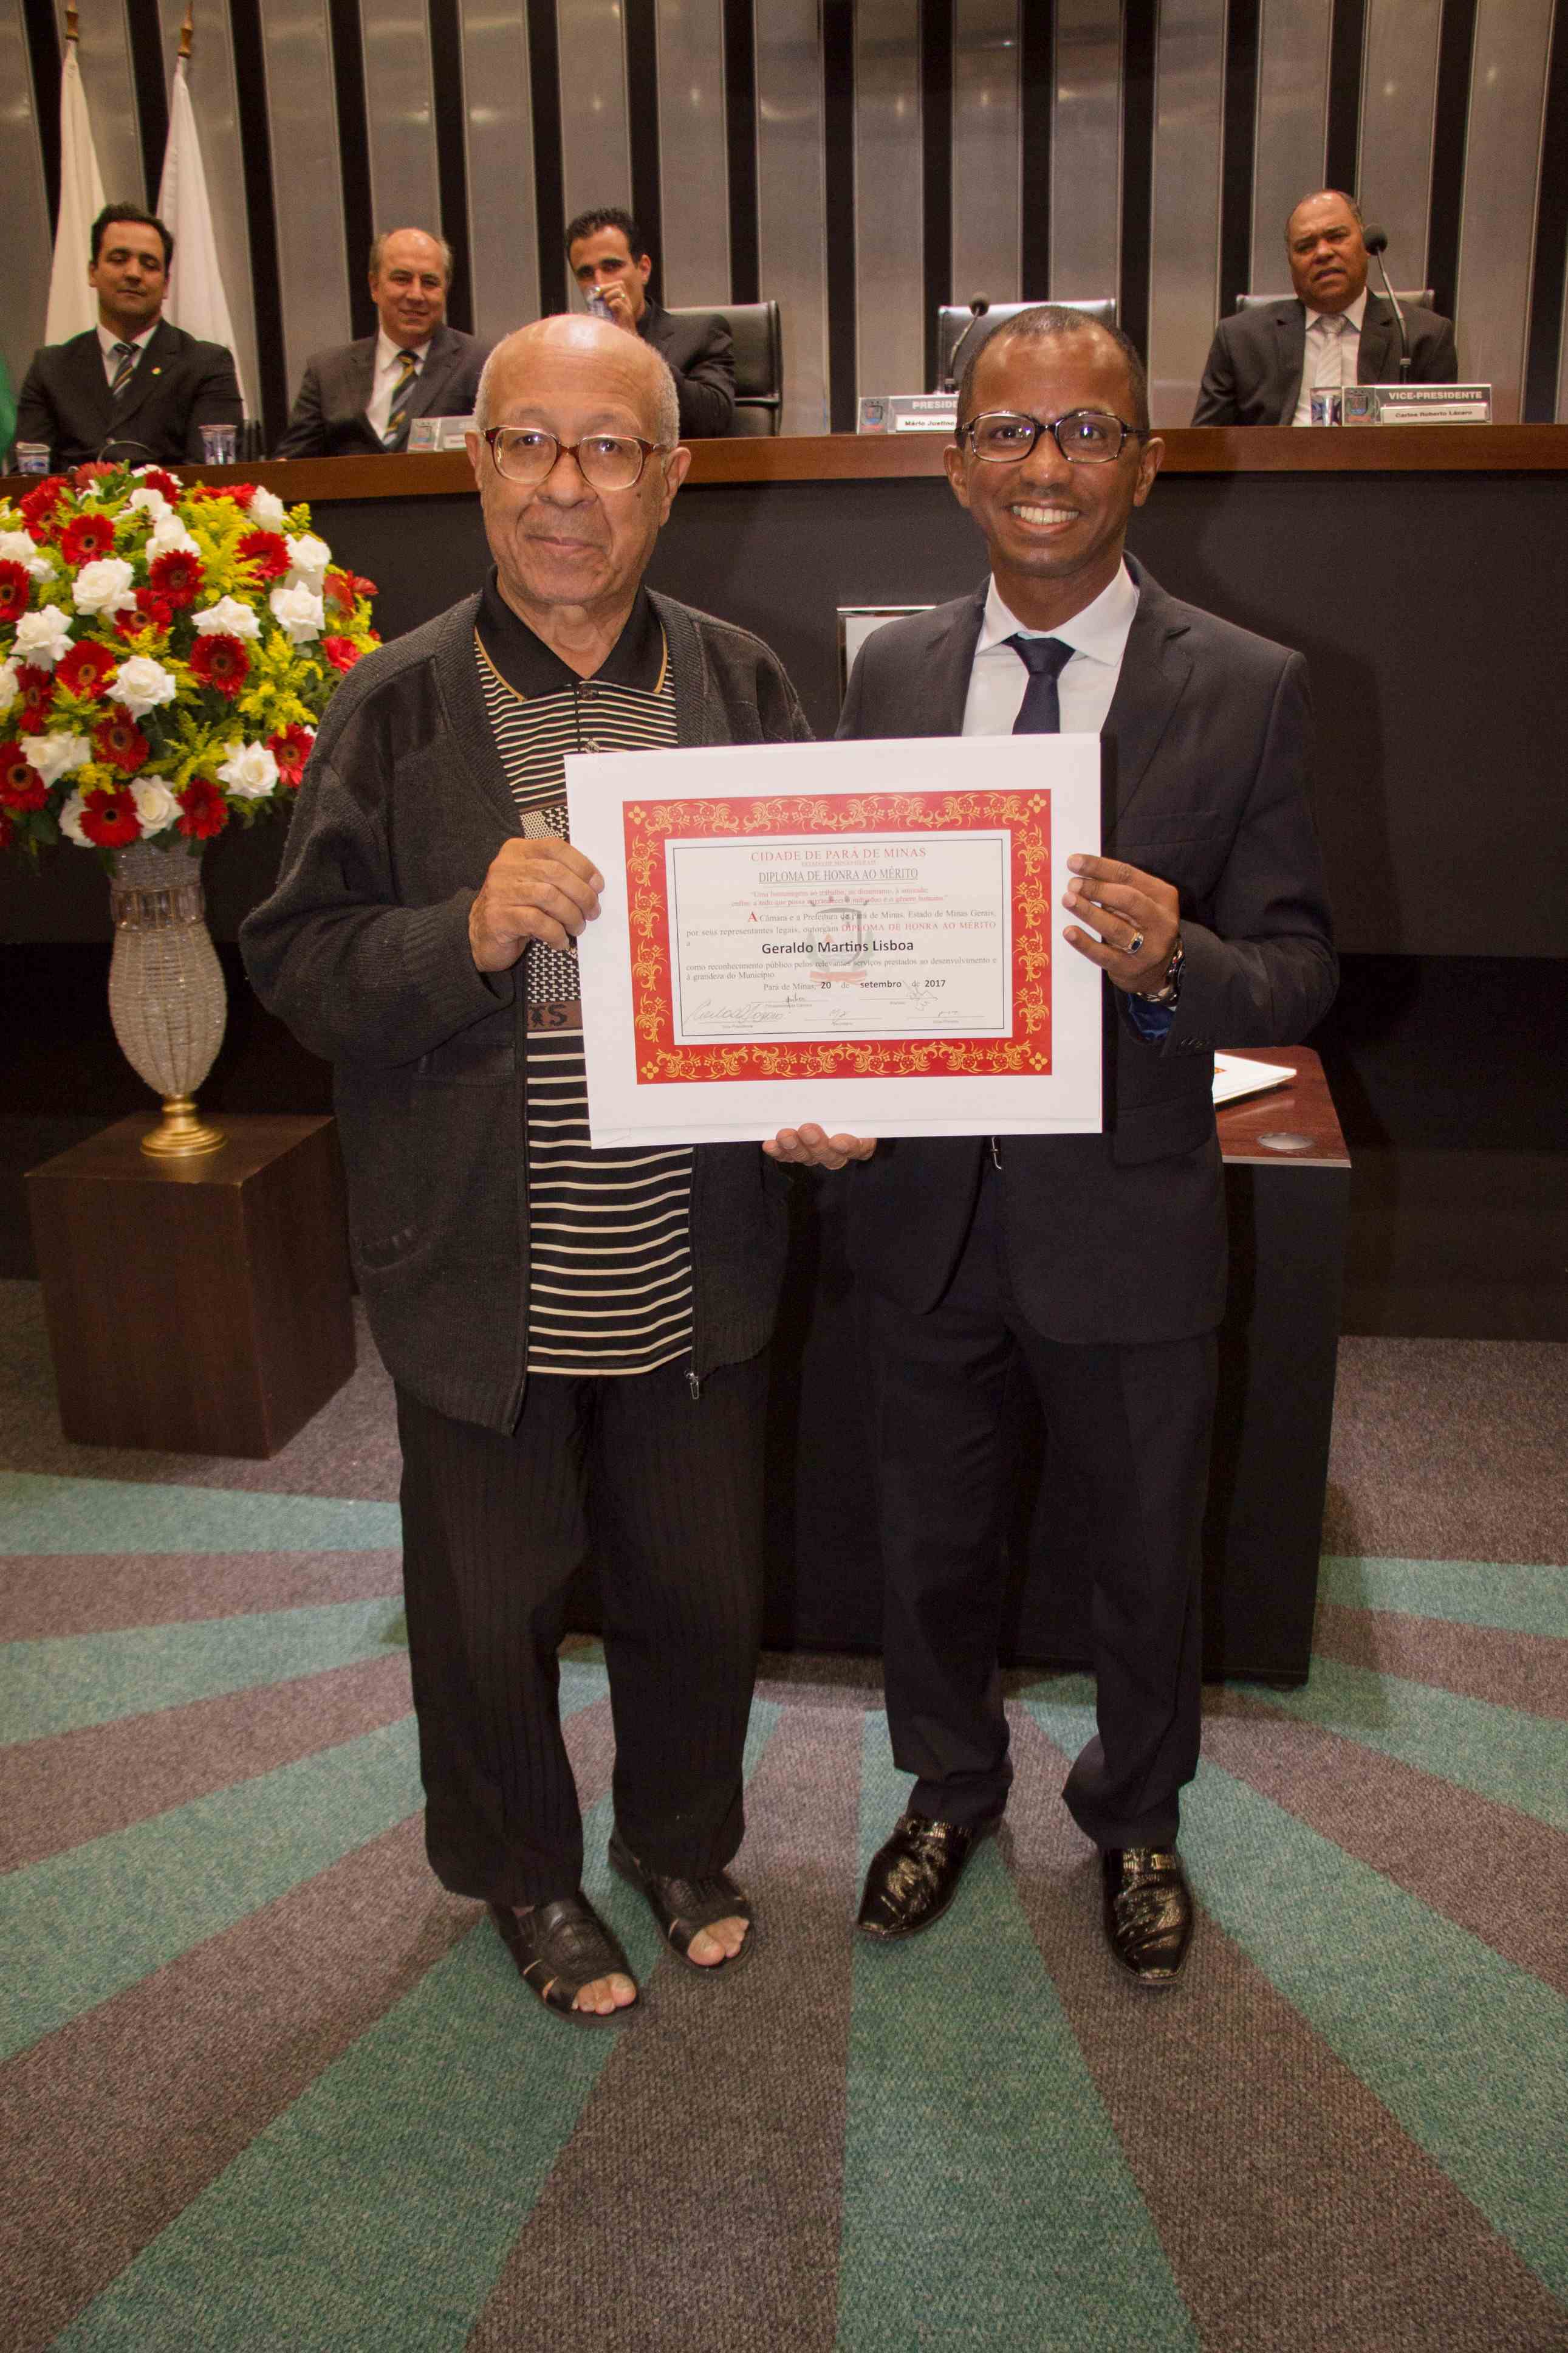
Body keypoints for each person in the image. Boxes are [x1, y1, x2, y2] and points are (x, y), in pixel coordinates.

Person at [242, 315, 816, 2026]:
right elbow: (297, 962)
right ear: (475, 466)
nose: (566, 486)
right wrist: (462, 933)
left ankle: (679, 1840)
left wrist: (828, 1086)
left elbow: (816, 942)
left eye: (608, 447)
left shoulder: (742, 685)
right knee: (485, 1612)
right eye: (527, 443)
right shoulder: (393, 700)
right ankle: (522, 1872)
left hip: (693, 1252)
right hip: (482, 1262)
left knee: (699, 1589)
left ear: (672, 477)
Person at [771, 306, 1337, 1988]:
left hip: (1130, 1215)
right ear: (955, 466)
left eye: (1085, 431)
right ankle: (947, 1789)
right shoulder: (890, 670)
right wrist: (808, 1063)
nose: (1045, 463)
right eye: (1008, 431)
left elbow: (1299, 970)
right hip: (921, 1209)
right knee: (926, 1545)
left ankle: (1135, 1817)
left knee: (1142, 1554)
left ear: (1143, 466)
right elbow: (844, 922)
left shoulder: (1246, 685)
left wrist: (1179, 964)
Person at [1192, 188, 1457, 425]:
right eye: (1305, 246)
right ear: (1291, 263)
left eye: (1337, 237)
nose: (1322, 253)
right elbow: (1204, 448)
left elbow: (1444, 447)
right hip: (1276, 465)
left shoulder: (1423, 337)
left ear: (1366, 246)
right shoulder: (1240, 340)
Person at [12, 203, 242, 469]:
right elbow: (28, 480)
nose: (133, 274)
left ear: (166, 285)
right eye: (119, 260)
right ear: (92, 272)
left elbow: (213, 480)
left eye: (149, 264)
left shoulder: (206, 365)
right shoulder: (51, 369)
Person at [274, 228, 488, 457]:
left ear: (445, 290)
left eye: (429, 282)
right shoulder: (327, 373)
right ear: (374, 286)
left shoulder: (480, 364)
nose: (416, 295)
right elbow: (290, 466)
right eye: (402, 280)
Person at [566, 207, 736, 438]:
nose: (600, 283)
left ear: (644, 269)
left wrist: (635, 346)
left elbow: (713, 421)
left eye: (611, 267)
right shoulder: (569, 350)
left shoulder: (702, 334)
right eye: (586, 274)